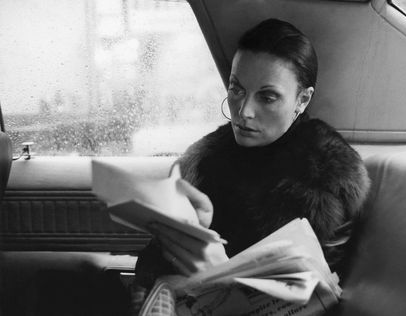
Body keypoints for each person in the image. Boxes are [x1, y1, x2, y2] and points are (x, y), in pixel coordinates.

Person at [131, 18, 370, 316]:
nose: (244, 112)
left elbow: (315, 301)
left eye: (267, 97)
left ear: (302, 99)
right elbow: (150, 269)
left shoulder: (328, 180)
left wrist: (220, 273)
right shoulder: (204, 161)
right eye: (236, 89)